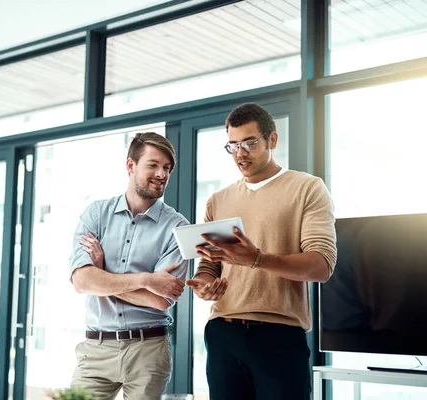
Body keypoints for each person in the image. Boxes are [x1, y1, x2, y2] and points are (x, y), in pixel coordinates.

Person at [186, 103, 337, 400]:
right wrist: (204, 285)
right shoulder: (218, 200)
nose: (240, 153)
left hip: (278, 336)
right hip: (222, 334)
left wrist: (257, 259)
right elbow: (209, 265)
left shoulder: (307, 188)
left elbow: (322, 265)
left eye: (250, 143)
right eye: (233, 145)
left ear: (272, 140)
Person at [69, 132, 190, 400]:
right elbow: (82, 281)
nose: (162, 174)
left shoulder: (178, 228)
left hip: (149, 350)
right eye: (153, 165)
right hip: (96, 350)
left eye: (167, 168)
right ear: (130, 165)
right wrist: (146, 280)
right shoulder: (96, 214)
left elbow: (160, 301)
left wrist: (103, 276)